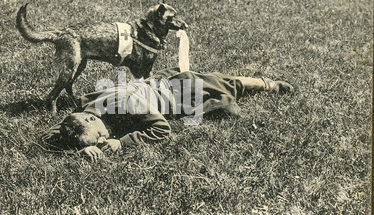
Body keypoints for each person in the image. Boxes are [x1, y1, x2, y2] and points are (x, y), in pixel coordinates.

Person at [42, 67, 293, 162]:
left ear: (91, 120)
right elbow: (55, 132)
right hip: (162, 83)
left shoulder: (130, 105)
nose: (101, 140)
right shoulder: (88, 110)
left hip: (183, 92)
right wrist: (80, 148)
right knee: (223, 88)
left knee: (228, 93)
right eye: (98, 142)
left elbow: (162, 129)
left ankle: (269, 84)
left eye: (98, 137)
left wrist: (123, 141)